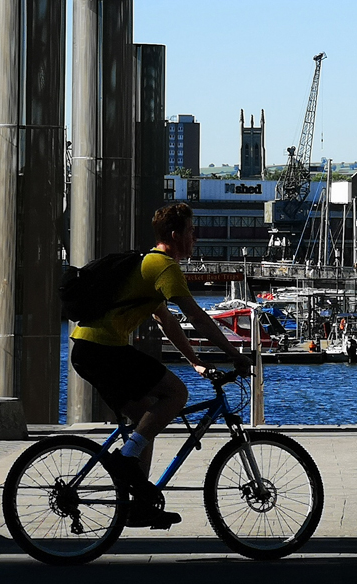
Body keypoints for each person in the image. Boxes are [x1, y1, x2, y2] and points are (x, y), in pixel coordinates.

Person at [69, 203, 253, 529]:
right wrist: (234, 352)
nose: (195, 237)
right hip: (102, 348)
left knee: (145, 421)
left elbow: (168, 322)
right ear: (174, 234)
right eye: (191, 231)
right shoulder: (164, 266)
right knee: (176, 393)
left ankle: (139, 504)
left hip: (90, 349)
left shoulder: (149, 263)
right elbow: (196, 316)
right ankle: (126, 463)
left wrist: (196, 362)